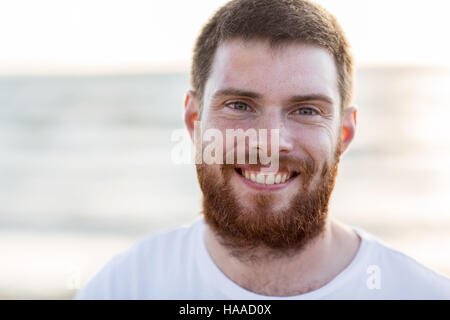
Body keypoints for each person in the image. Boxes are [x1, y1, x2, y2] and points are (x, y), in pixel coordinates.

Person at [75, 0, 450, 299]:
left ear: (344, 133)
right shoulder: (125, 287)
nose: (270, 141)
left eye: (306, 110)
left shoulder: (419, 293)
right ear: (194, 121)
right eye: (240, 105)